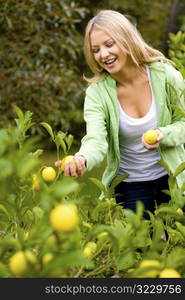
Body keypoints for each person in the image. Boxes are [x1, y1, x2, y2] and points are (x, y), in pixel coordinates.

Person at [57, 10, 185, 219]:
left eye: (109, 44)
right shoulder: (97, 93)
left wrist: (164, 135)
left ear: (126, 38)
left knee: (178, 245)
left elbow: (183, 122)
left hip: (173, 176)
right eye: (95, 50)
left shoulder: (166, 76)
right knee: (139, 247)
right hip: (131, 186)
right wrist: (81, 159)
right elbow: (96, 141)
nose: (103, 55)